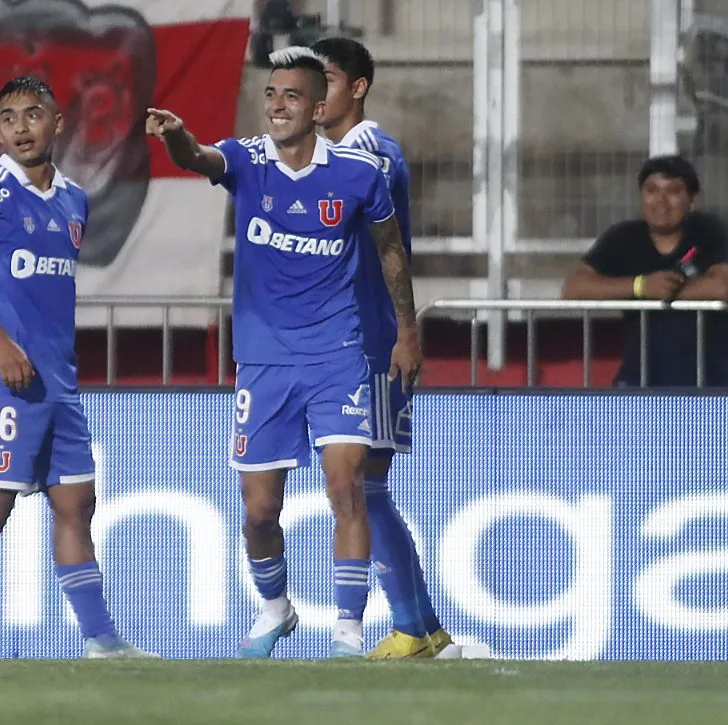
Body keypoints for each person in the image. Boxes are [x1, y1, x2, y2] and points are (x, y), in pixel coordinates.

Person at [146, 47, 422, 658]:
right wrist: (178, 138)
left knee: (347, 487)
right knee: (260, 511)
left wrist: (407, 330)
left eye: (290, 96)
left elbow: (391, 251)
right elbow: (199, 158)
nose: (276, 105)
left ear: (318, 108)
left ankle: (348, 631)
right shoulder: (247, 159)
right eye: (270, 94)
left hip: (339, 353)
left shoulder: (357, 174)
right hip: (265, 361)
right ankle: (275, 608)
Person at [0, 76, 156, 659]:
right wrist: (3, 346)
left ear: (58, 123)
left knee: (76, 503)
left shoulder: (73, 199)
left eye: (33, 114)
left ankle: (102, 642)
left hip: (59, 380)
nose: (20, 127)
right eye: (8, 118)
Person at [312, 36, 460, 660]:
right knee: (366, 484)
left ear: (358, 88)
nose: (315, 95)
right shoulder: (332, 154)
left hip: (370, 338)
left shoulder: (369, 148)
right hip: (346, 337)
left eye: (327, 80)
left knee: (364, 483)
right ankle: (424, 630)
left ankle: (412, 625)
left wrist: (404, 330)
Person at [562, 155, 728, 388]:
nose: (661, 201)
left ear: (692, 199)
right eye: (651, 190)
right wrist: (641, 286)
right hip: (641, 384)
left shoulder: (709, 230)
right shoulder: (623, 237)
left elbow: (722, 287)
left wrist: (667, 291)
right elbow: (573, 287)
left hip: (714, 384)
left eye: (674, 191)